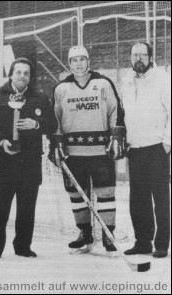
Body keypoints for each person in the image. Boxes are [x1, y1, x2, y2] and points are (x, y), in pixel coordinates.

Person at [0, 57, 57, 260]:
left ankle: (23, 246)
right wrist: (1, 141)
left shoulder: (39, 97)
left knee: (27, 206)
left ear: (30, 77)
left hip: (29, 163)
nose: (22, 76)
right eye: (18, 72)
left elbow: (51, 124)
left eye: (26, 73)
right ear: (11, 74)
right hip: (3, 162)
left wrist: (36, 124)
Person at [49, 46, 125, 253]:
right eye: (74, 60)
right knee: (76, 195)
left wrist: (116, 136)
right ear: (69, 63)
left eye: (82, 59)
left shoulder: (103, 83)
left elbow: (115, 111)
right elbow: (54, 119)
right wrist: (56, 144)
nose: (79, 63)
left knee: (106, 193)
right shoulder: (61, 88)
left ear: (88, 61)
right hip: (73, 154)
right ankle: (85, 232)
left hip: (101, 151)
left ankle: (108, 234)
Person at [120, 42, 171, 258]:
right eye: (134, 55)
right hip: (135, 148)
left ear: (151, 57)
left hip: (157, 147)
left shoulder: (163, 78)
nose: (138, 58)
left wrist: (167, 142)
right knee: (138, 198)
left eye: (142, 54)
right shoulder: (126, 81)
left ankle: (161, 244)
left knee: (160, 197)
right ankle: (142, 241)